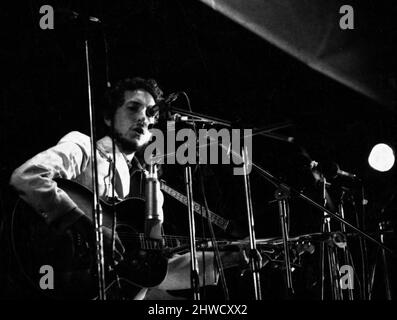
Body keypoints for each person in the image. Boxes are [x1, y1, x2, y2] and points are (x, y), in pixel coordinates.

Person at [9, 77, 250, 300]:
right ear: (108, 117)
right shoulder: (84, 147)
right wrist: (88, 228)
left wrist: (229, 258)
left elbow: (153, 272)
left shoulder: (152, 189)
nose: (144, 119)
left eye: (150, 114)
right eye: (133, 108)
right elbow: (29, 176)